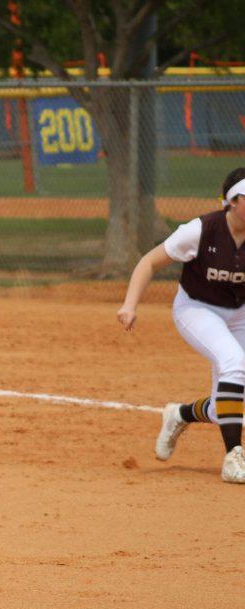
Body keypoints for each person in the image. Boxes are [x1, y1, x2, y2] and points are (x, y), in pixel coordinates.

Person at [117, 167, 245, 484]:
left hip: (239, 312)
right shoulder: (200, 230)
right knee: (234, 364)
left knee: (228, 403)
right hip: (197, 309)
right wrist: (129, 304)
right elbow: (149, 262)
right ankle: (233, 458)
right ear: (232, 201)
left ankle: (180, 414)